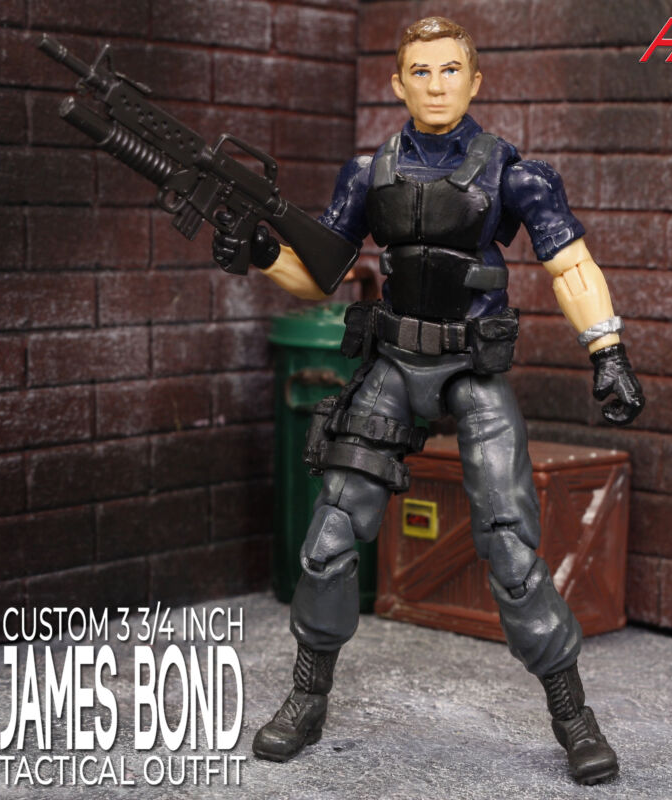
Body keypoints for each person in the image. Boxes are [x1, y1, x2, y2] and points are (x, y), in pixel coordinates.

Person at [214, 16, 644, 786]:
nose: (436, 85)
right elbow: (319, 273)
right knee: (330, 535)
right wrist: (260, 252)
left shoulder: (514, 174)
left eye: (450, 71)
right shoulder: (367, 174)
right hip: (392, 364)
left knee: (510, 546)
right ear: (399, 83)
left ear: (474, 82)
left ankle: (573, 714)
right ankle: (308, 696)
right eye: (421, 71)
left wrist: (606, 351)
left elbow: (571, 267)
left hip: (471, 369)